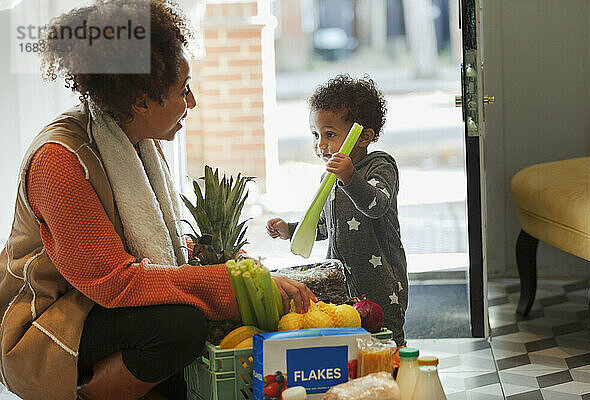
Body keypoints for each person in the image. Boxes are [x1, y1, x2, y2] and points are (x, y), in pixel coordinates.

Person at [0, 1, 315, 399]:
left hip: (96, 305)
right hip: (48, 323)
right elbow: (117, 283)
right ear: (141, 101)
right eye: (183, 90)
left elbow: (148, 245)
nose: (193, 102)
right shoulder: (60, 161)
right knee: (180, 326)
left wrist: (216, 262)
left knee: (188, 324)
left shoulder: (133, 139)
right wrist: (231, 285)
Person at [267, 74, 408, 346]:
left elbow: (376, 205)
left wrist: (350, 178)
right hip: (343, 285)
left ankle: (396, 379)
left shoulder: (380, 166)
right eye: (316, 135)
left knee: (386, 341)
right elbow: (325, 225)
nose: (321, 144)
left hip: (382, 284)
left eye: (330, 134)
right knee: (349, 341)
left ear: (364, 137)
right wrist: (290, 229)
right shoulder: (330, 178)